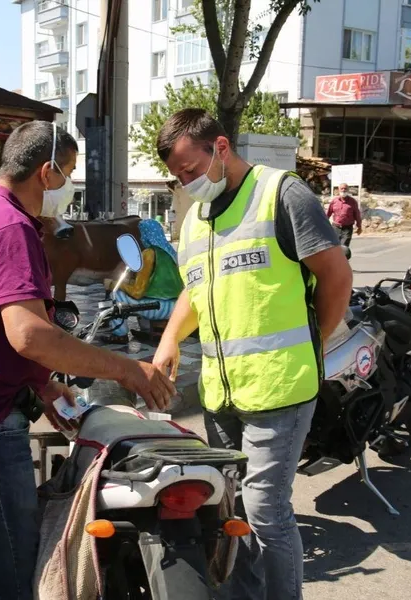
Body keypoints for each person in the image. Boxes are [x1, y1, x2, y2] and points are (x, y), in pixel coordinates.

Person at [0, 121, 175, 600]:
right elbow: (30, 334)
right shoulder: (10, 226)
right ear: (46, 171)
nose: (69, 187)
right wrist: (129, 369)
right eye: (69, 172)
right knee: (9, 574)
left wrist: (44, 385)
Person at [151, 109, 352, 600]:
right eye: (177, 178)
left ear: (221, 147)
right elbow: (193, 290)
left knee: (266, 512)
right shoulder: (195, 218)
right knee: (230, 510)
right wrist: (169, 340)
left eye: (191, 171)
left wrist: (315, 342)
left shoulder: (281, 193)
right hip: (221, 396)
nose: (187, 183)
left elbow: (335, 275)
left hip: (281, 388)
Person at [103, 218, 184, 343]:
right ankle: (146, 330)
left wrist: (113, 284)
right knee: (141, 296)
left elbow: (137, 291)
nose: (141, 238)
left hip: (157, 308)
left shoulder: (149, 254)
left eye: (142, 234)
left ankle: (120, 334)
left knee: (117, 295)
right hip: (176, 306)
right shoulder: (171, 253)